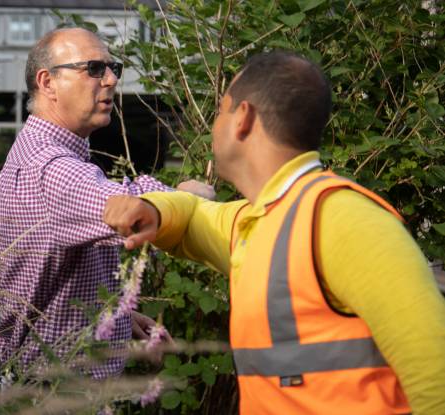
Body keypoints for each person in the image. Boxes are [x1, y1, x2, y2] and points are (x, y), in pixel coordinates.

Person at [103, 51, 445, 414]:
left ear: (243, 119)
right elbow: (194, 215)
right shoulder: (261, 219)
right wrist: (154, 209)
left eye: (221, 110)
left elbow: (435, 379)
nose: (213, 125)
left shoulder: (347, 222)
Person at [0, 27, 213, 379]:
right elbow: (130, 209)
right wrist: (187, 195)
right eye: (94, 68)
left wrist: (119, 317)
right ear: (47, 83)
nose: (110, 80)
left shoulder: (50, 157)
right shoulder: (50, 169)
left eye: (113, 68)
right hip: (57, 394)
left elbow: (58, 281)